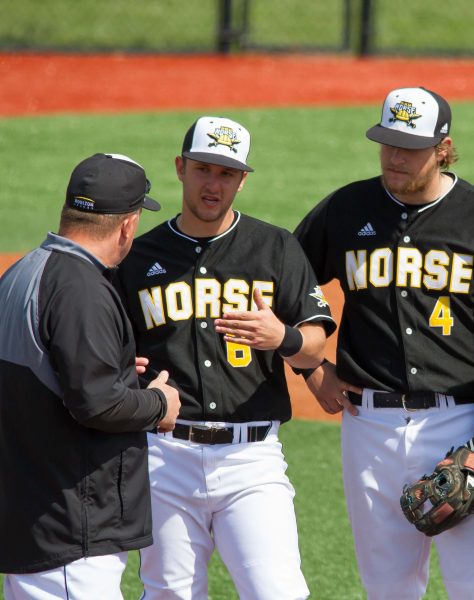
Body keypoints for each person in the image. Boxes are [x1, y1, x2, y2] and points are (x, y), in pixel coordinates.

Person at [294, 86, 474, 600]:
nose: (395, 156)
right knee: (387, 587)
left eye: (410, 146)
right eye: (387, 143)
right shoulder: (346, 207)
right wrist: (311, 368)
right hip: (369, 426)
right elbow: (284, 283)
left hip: (459, 425)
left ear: (443, 148)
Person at [114, 116, 335, 599]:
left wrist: (283, 337)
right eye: (203, 169)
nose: (213, 184)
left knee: (278, 591)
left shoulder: (275, 246)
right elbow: (108, 346)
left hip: (251, 458)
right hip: (165, 456)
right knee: (170, 594)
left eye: (227, 173)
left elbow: (316, 341)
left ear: (242, 179)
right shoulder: (136, 257)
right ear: (180, 167)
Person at [0, 153, 180, 598]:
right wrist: (159, 403)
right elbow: (97, 403)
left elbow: (52, 377)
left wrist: (115, 374)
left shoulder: (23, 272)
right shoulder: (81, 288)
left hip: (32, 515)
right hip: (71, 530)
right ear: (127, 226)